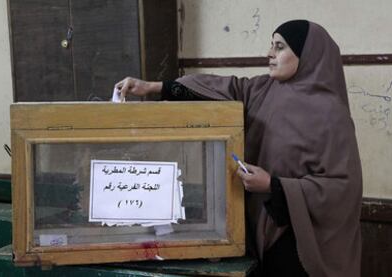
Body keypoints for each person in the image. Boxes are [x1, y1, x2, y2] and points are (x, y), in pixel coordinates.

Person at [115, 20, 362, 277]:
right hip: (258, 230)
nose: (269, 53)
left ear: (307, 54)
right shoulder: (263, 89)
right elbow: (221, 89)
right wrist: (153, 87)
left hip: (299, 243)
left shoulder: (331, 115)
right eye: (271, 45)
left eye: (279, 47)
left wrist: (273, 185)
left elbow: (343, 189)